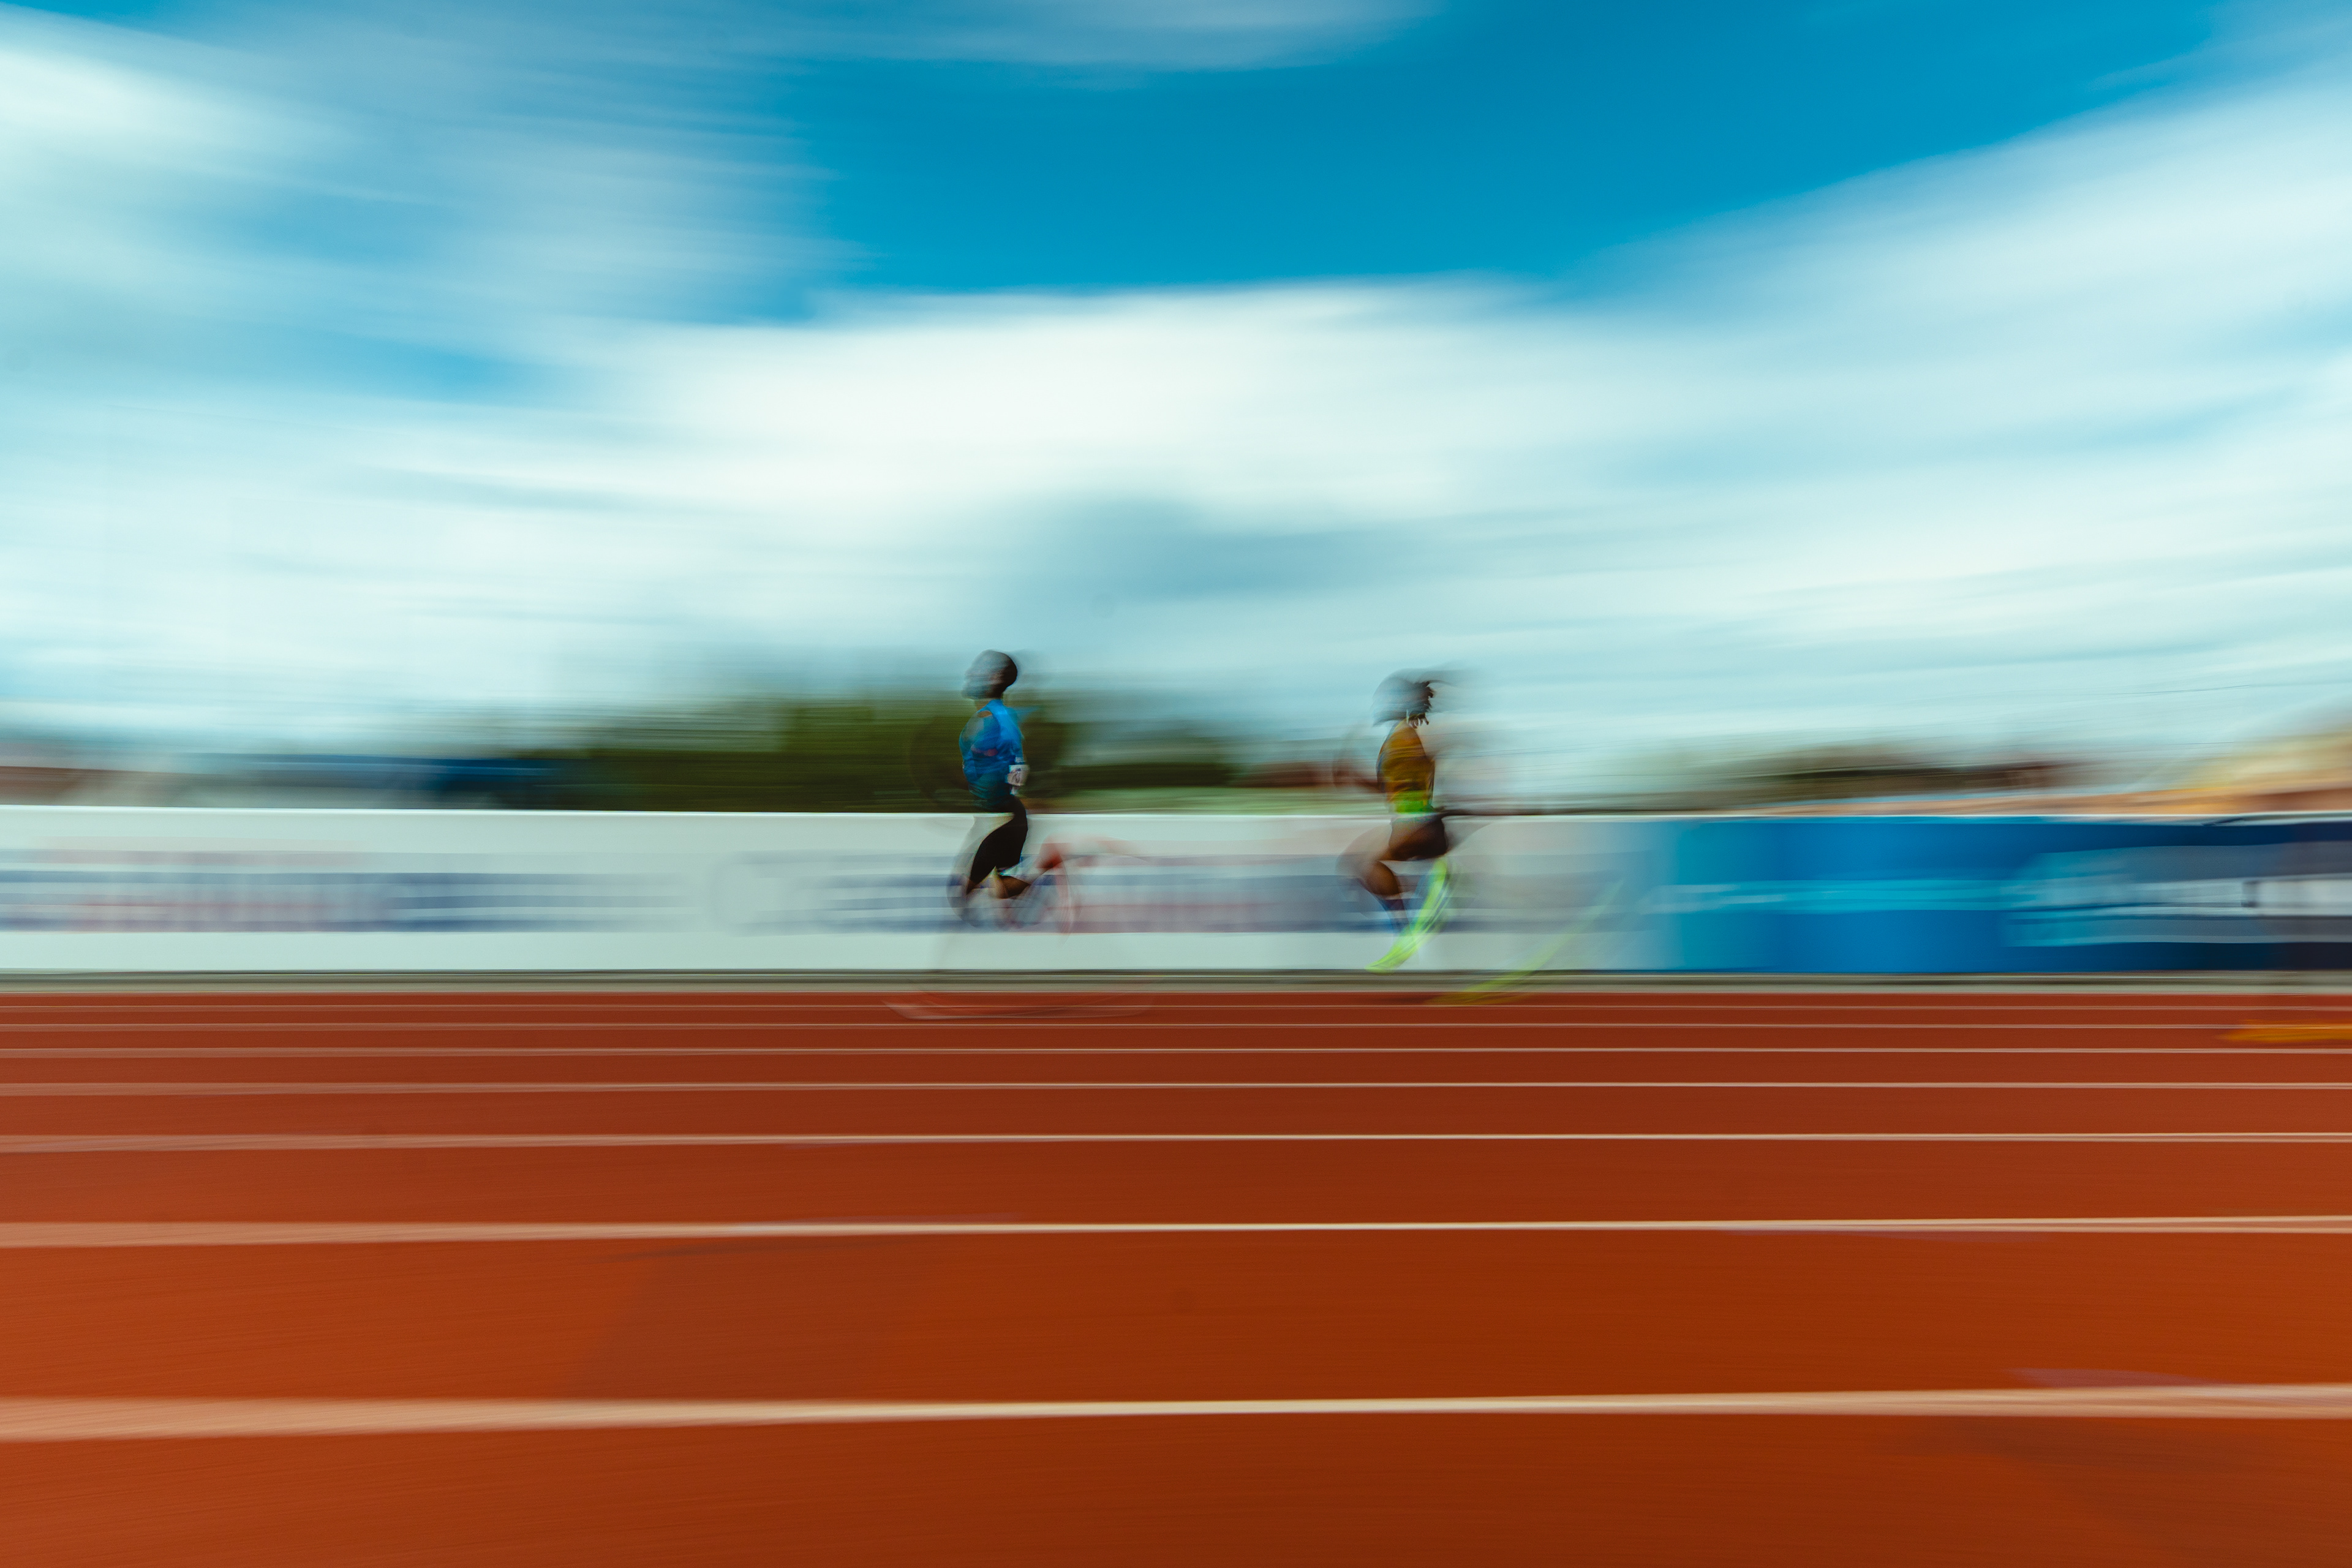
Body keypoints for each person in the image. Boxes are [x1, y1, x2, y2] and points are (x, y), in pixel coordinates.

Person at [1344, 673, 1452, 967]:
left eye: (1385, 700)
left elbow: (1407, 783)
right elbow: (1394, 787)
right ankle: (1436, 879)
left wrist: (1355, 774)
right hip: (1423, 824)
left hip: (1415, 826)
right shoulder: (1404, 736)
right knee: (1362, 862)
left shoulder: (1404, 738)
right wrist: (1356, 778)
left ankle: (1407, 926)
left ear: (1399, 703)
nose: (1379, 706)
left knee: (1363, 864)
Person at [957, 650, 1038, 914]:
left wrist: (1003, 794)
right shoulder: (994, 716)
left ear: (994, 677)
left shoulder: (995, 718)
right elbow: (1015, 763)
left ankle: (991, 884)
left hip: (995, 804)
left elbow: (1014, 761)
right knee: (1015, 822)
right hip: (997, 804)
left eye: (979, 669)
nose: (971, 673)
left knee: (1014, 822)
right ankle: (1001, 881)